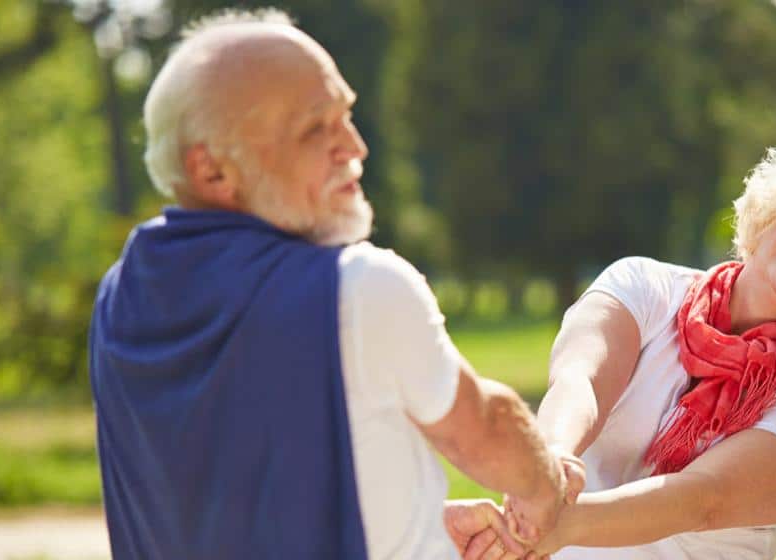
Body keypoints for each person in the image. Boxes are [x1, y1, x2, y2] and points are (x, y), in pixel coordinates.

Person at [88, 9, 580, 560]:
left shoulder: (119, 297)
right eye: (315, 128)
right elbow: (484, 428)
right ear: (211, 171)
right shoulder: (358, 287)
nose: (354, 146)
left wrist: (416, 514)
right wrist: (547, 486)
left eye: (345, 116)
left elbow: (221, 499)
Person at [456, 146, 776, 559]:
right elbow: (579, 381)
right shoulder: (642, 285)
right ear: (775, 209)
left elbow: (704, 499)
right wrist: (549, 467)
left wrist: (549, 526)